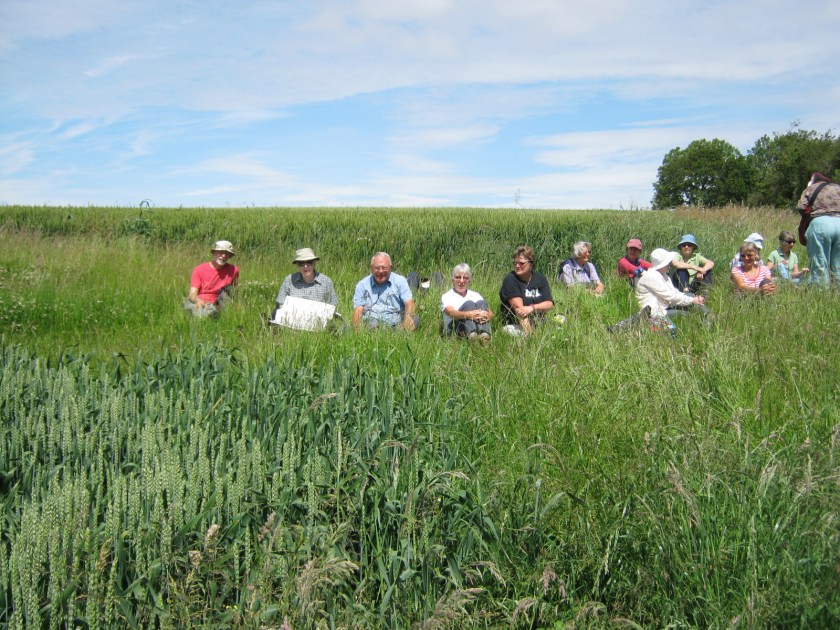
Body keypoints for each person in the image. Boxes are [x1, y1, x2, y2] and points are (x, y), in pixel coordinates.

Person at [609, 248, 709, 332]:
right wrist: (692, 300)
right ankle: (703, 324)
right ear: (662, 264)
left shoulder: (664, 275)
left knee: (690, 296)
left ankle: (707, 315)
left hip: (664, 306)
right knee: (686, 316)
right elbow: (671, 296)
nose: (669, 264)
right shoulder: (652, 276)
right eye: (668, 262)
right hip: (655, 312)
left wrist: (693, 298)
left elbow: (674, 292)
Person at [352, 252, 419, 331]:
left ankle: (399, 336)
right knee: (372, 324)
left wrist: (408, 316)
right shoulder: (362, 285)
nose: (381, 271)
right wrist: (356, 332)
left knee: (415, 319)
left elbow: (409, 303)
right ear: (371, 268)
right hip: (372, 323)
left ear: (390, 267)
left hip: (396, 322)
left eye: (384, 268)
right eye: (377, 268)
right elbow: (358, 310)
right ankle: (377, 335)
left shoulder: (400, 281)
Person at [796, 172, 840, 286]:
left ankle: (821, 293)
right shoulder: (837, 187)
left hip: (821, 224)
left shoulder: (811, 188)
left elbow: (802, 207)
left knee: (819, 264)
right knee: (838, 265)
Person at [500, 245, 554, 336]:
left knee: (561, 325)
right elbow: (520, 311)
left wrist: (532, 308)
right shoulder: (510, 280)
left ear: (531, 264)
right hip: (516, 324)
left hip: (539, 322)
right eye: (515, 263)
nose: (517, 266)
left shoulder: (540, 278)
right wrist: (530, 335)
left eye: (521, 263)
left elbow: (549, 304)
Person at [273, 248, 338, 318]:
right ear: (297, 265)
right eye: (301, 263)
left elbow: (332, 305)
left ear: (314, 263)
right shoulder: (289, 280)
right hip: (292, 318)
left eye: (309, 262)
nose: (305, 266)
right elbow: (280, 303)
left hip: (318, 320)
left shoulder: (326, 281)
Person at [184, 240, 239, 318]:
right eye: (220, 252)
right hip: (203, 302)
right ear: (214, 253)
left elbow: (234, 291)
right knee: (202, 316)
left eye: (227, 253)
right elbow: (192, 294)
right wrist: (198, 300)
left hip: (222, 303)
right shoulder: (199, 269)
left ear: (229, 256)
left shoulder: (234, 270)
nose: (223, 256)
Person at [441, 263, 493, 341]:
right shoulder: (447, 296)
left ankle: (484, 335)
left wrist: (484, 315)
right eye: (458, 277)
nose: (461, 281)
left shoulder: (476, 295)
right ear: (452, 279)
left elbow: (491, 313)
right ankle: (472, 335)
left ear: (469, 280)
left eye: (465, 278)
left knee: (481, 302)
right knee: (469, 304)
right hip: (455, 329)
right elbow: (451, 312)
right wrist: (469, 315)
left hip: (477, 327)